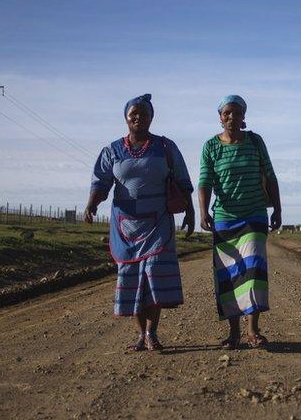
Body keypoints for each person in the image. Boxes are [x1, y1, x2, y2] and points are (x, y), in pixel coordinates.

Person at [84, 94, 195, 352]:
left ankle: (151, 332)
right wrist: (92, 203)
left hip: (158, 223)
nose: (138, 117)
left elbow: (182, 181)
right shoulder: (112, 150)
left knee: (154, 274)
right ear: (126, 117)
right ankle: (140, 335)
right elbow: (100, 182)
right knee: (132, 277)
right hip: (126, 226)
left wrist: (190, 212)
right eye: (133, 113)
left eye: (144, 114)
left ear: (151, 118)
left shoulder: (166, 147)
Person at [198, 95, 282, 349]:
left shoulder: (255, 142)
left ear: (244, 116)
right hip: (225, 218)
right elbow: (205, 181)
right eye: (227, 114)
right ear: (220, 117)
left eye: (237, 113)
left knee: (254, 271)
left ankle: (253, 330)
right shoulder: (210, 146)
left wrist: (277, 208)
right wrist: (203, 211)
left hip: (254, 214)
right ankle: (233, 333)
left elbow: (270, 174)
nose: (232, 118)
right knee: (229, 275)